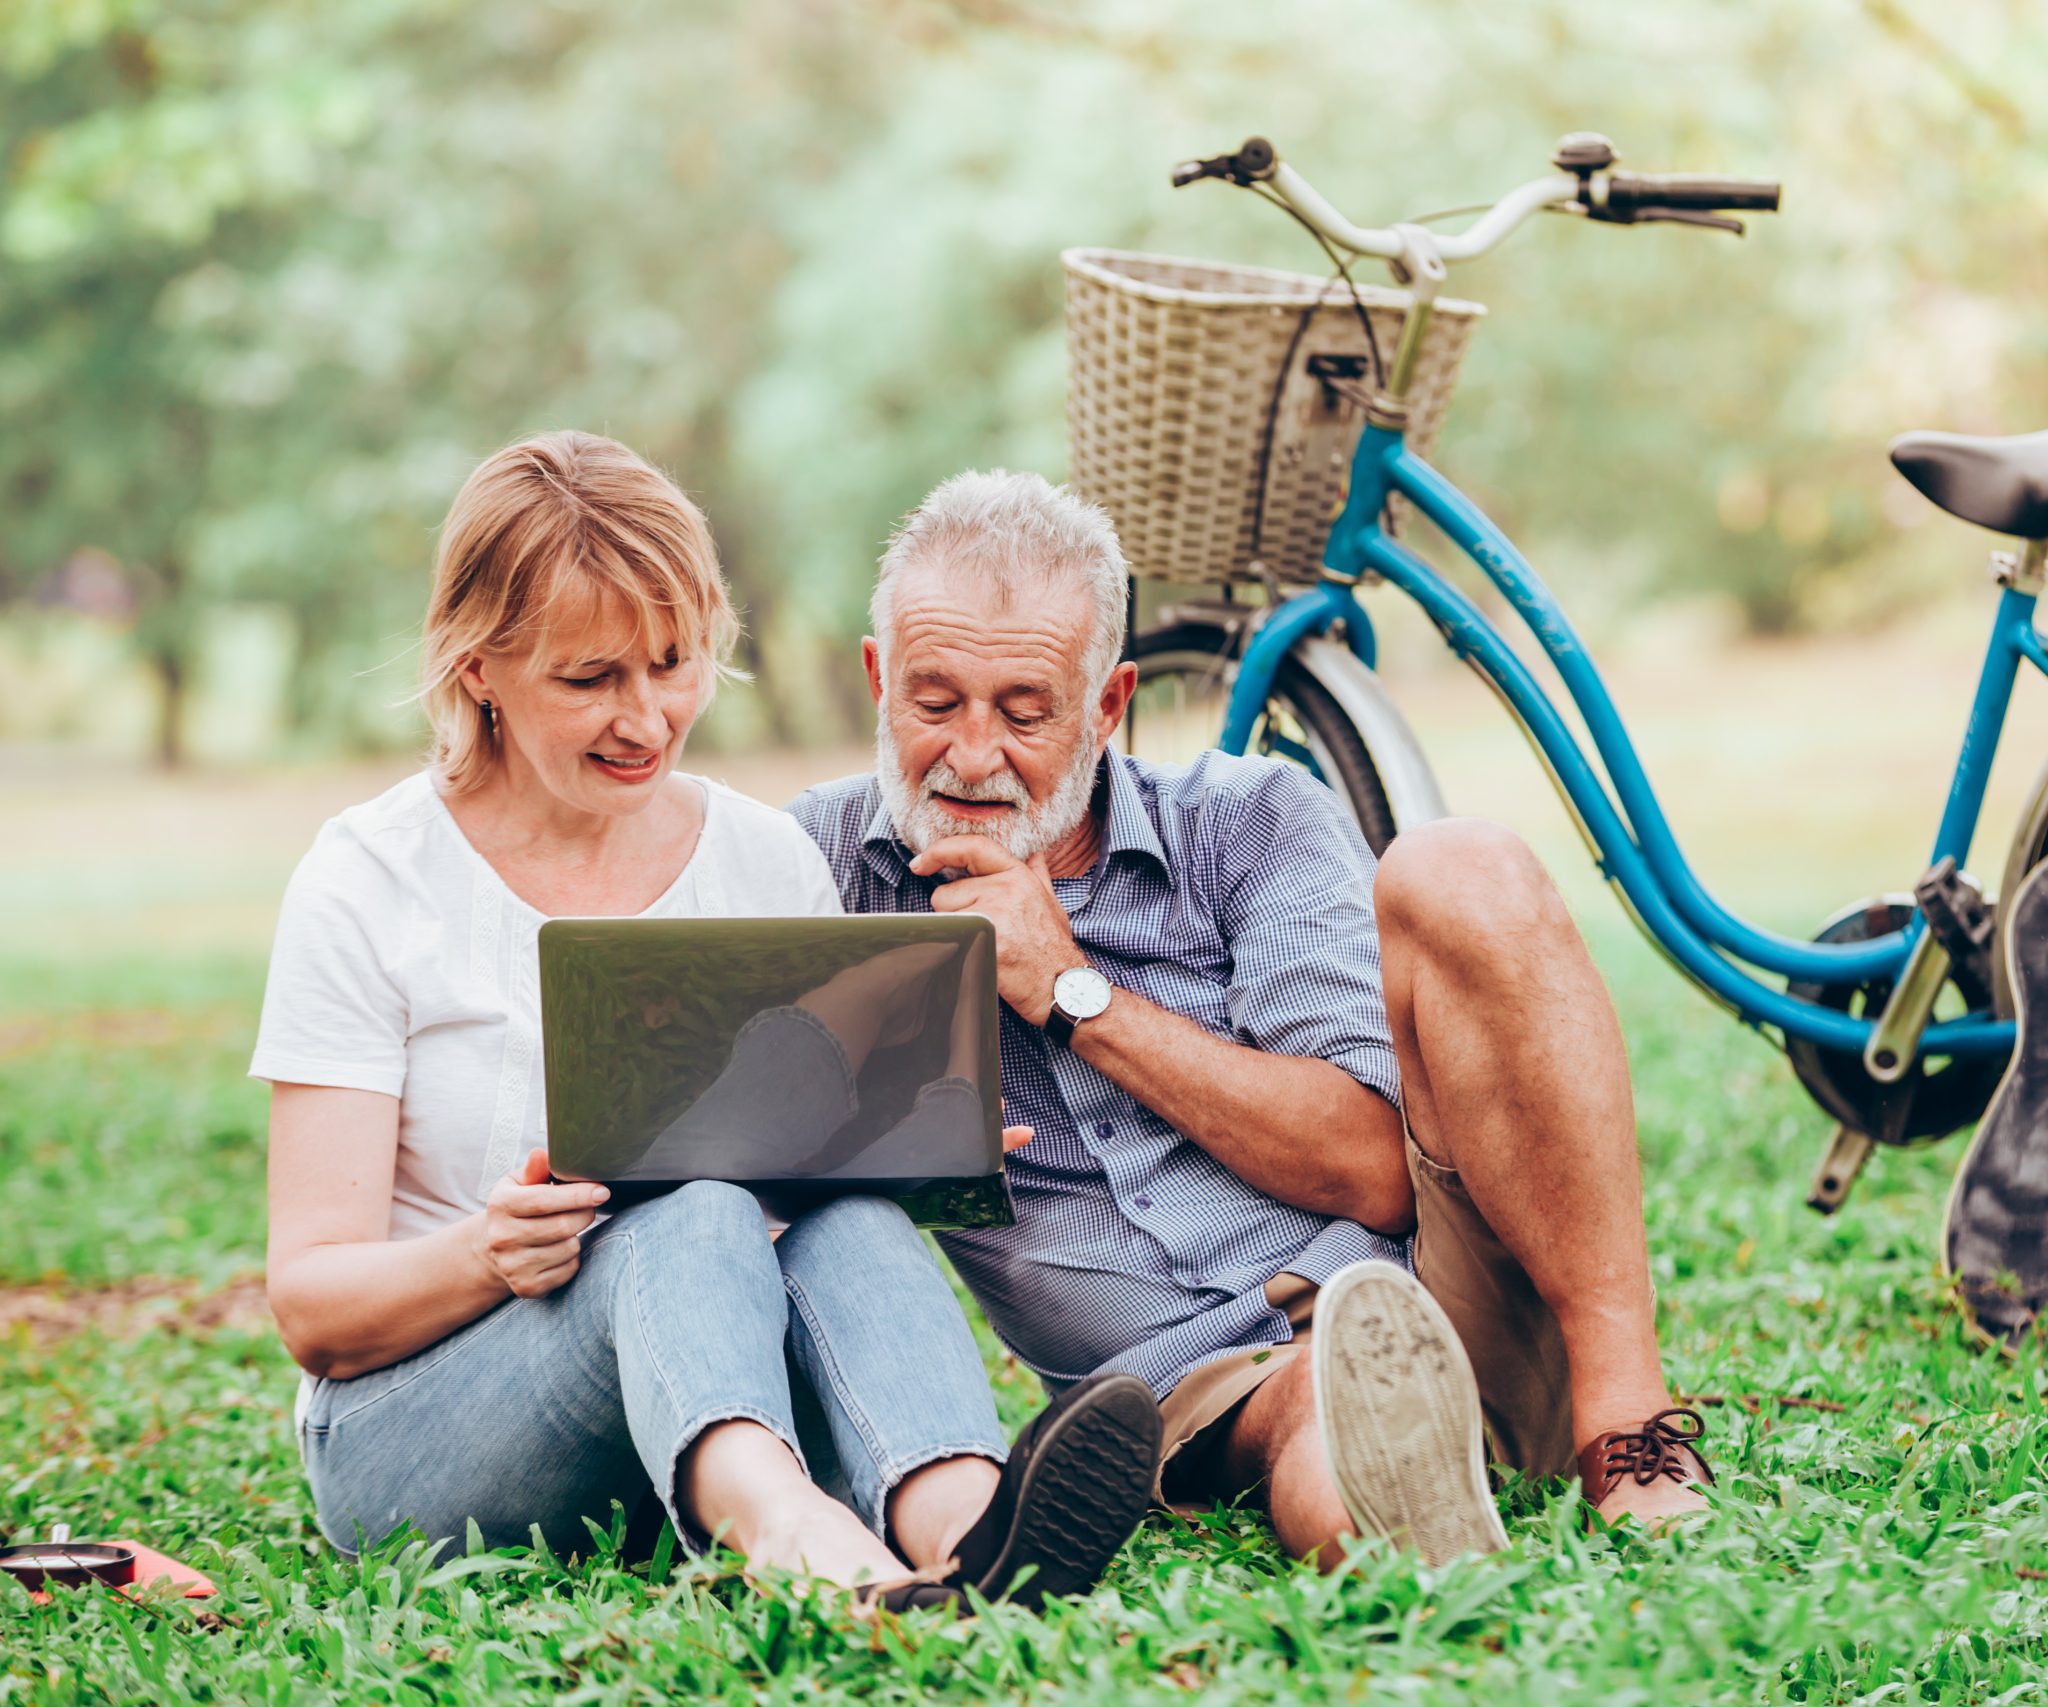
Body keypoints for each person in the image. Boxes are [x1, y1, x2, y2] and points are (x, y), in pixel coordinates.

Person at [253, 433, 1158, 1612]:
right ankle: (794, 1546)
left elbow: (801, 1194)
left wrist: (904, 1148)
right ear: (480, 668)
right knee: (680, 1210)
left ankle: (967, 1524)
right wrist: (490, 1251)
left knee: (843, 1219)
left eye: (674, 664)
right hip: (423, 1432)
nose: (648, 718)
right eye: (591, 680)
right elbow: (314, 1310)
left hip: (707, 1397)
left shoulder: (760, 857)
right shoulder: (369, 880)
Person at [791, 470, 1713, 1568]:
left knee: (1464, 864)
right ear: (876, 678)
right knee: (1324, 1436)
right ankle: (1403, 1531)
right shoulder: (814, 871)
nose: (974, 756)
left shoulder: (1246, 825)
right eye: (933, 704)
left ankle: (1625, 1428)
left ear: (1107, 706)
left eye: (1025, 713)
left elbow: (1370, 1171)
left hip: (1427, 1278)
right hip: (1202, 1394)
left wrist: (1072, 989)